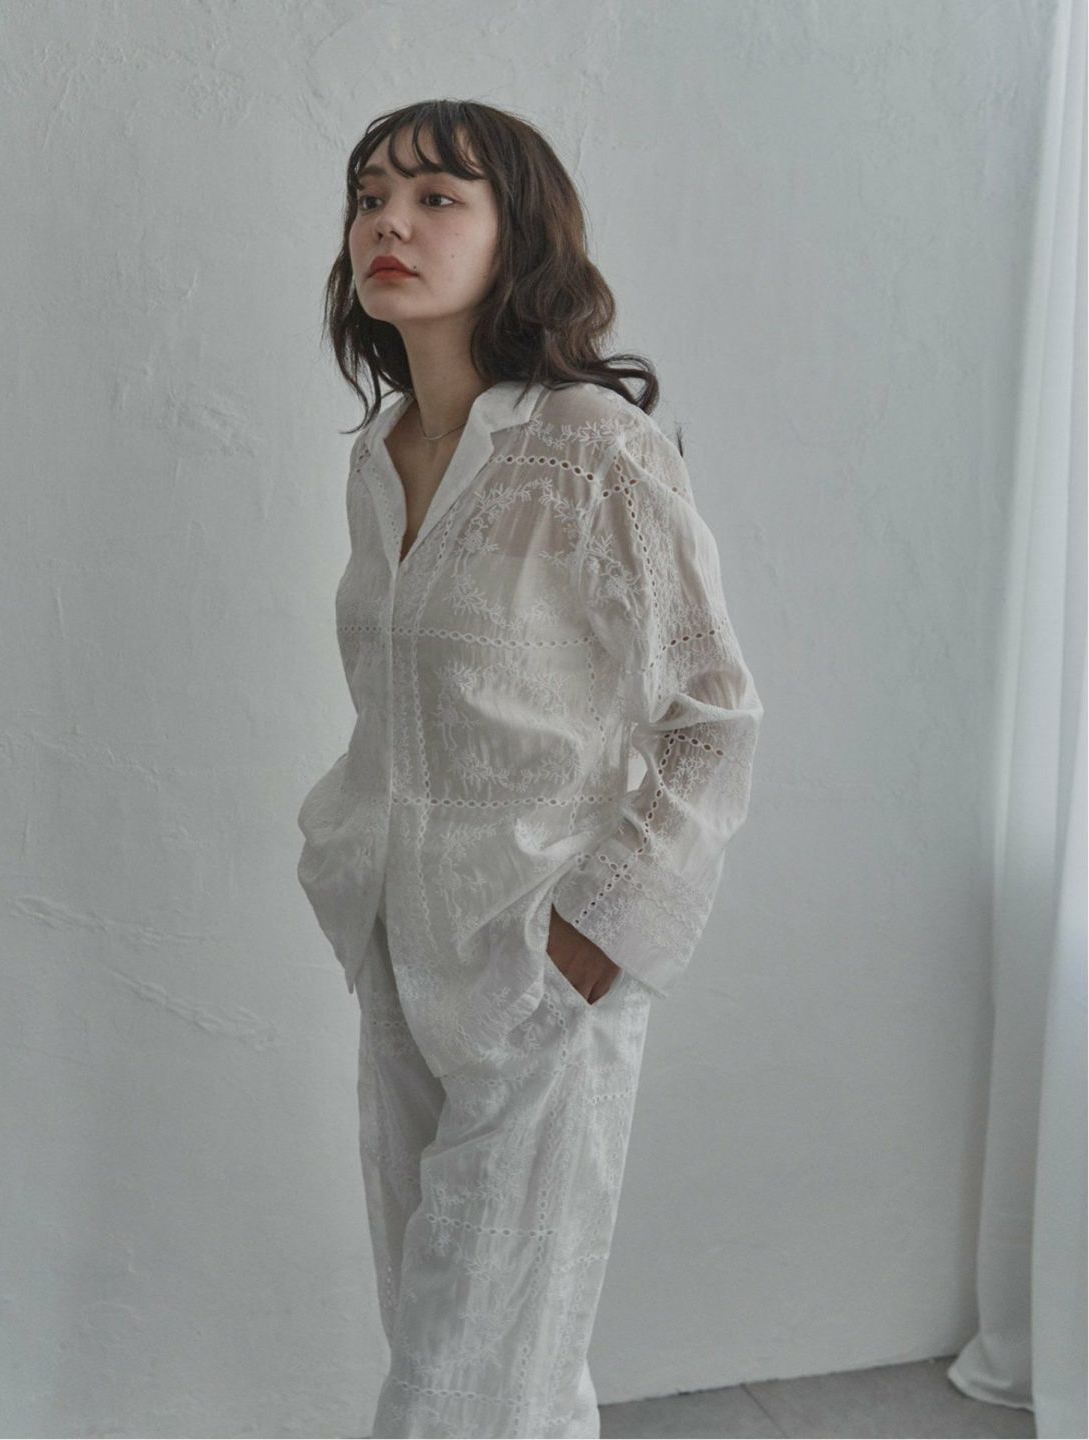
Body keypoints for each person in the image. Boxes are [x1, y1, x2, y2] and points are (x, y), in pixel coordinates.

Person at [298, 99, 765, 1439]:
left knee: (463, 1375)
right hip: (397, 940)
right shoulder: (381, 456)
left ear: (520, 236)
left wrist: (594, 932)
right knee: (476, 1344)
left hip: (540, 955)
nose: (389, 223)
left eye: (437, 197)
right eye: (369, 196)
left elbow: (713, 714)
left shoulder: (591, 447)